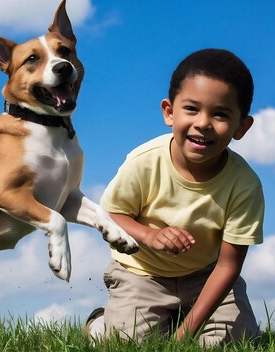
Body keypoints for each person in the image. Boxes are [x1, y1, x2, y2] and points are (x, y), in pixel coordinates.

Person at [85, 48, 264, 346]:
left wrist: (185, 335)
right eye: (191, 109)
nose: (203, 123)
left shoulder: (244, 185)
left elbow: (228, 266)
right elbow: (109, 215)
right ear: (169, 112)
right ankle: (100, 324)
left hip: (205, 277)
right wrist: (150, 236)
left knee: (234, 341)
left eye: (220, 114)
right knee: (127, 344)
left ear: (241, 127)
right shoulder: (144, 162)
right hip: (141, 275)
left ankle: (181, 320)